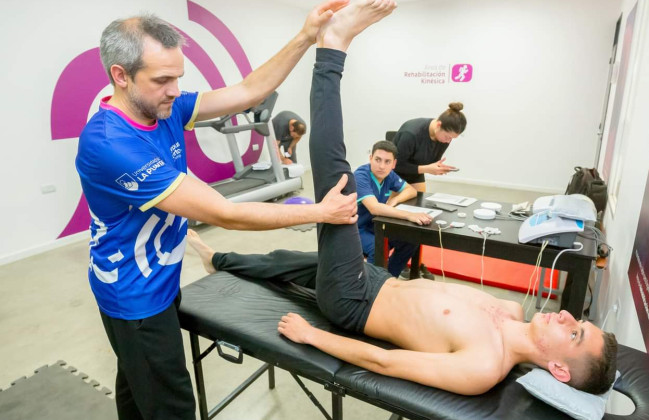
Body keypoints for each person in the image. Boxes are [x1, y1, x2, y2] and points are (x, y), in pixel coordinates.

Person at [186, 3, 618, 396]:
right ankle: (218, 261)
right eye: (578, 321)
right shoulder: (508, 309)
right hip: (377, 279)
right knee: (287, 261)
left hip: (354, 300)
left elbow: (384, 361)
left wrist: (311, 335)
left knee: (335, 177)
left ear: (559, 369)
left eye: (575, 333)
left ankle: (332, 49)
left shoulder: (484, 365)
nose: (567, 317)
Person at [75, 1, 369, 418]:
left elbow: (249, 91)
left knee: (138, 384)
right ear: (120, 76)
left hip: (159, 275)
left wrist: (305, 35)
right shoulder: (111, 145)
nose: (175, 90)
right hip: (134, 294)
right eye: (162, 80)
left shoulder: (165, 107)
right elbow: (224, 213)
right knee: (171, 404)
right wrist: (321, 212)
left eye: (178, 77)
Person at [355, 140, 431, 277]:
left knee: (410, 239)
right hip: (356, 229)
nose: (381, 166)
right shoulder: (361, 175)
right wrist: (409, 215)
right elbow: (374, 208)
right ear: (370, 158)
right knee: (376, 248)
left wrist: (395, 199)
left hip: (376, 226)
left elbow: (411, 190)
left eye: (387, 162)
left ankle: (388, 278)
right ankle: (371, 287)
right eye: (377, 160)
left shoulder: (389, 175)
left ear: (394, 164)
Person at [391, 103, 467, 193]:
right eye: (447, 137)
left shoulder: (443, 138)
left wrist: (438, 167)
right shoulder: (411, 134)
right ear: (439, 125)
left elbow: (431, 162)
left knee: (419, 202)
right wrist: (427, 169)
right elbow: (396, 165)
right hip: (394, 173)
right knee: (399, 203)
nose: (448, 141)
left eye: (452, 138)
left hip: (415, 173)